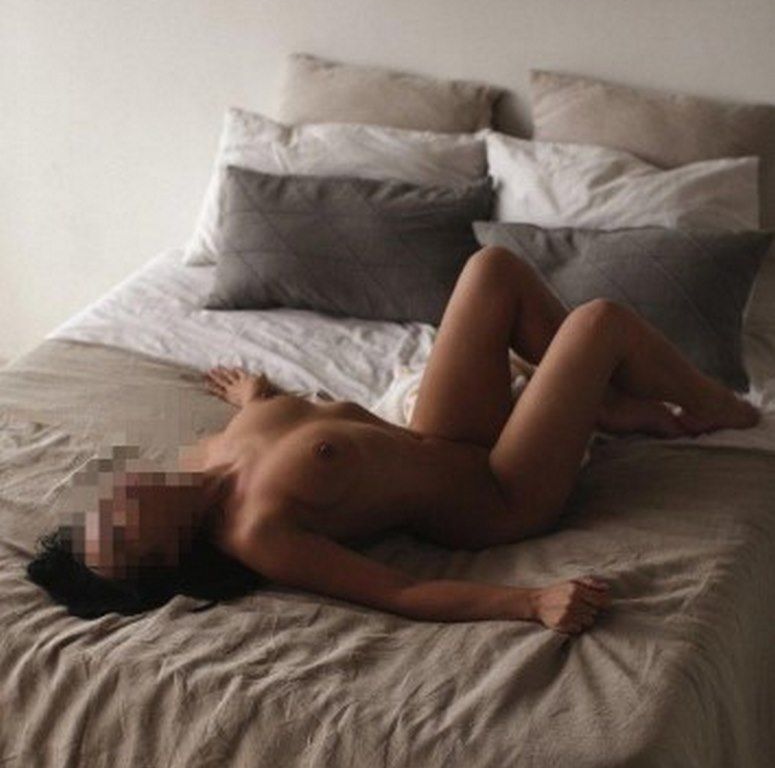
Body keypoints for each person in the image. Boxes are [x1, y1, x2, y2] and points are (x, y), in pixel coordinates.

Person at [28, 247, 758, 631]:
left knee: (493, 270)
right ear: (166, 554)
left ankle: (606, 405)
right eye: (121, 530)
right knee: (596, 323)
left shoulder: (204, 456)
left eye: (102, 513)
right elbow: (402, 591)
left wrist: (255, 397)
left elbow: (281, 429)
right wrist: (529, 602)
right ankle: (725, 407)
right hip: (496, 496)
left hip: (438, 437)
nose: (116, 501)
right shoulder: (258, 532)